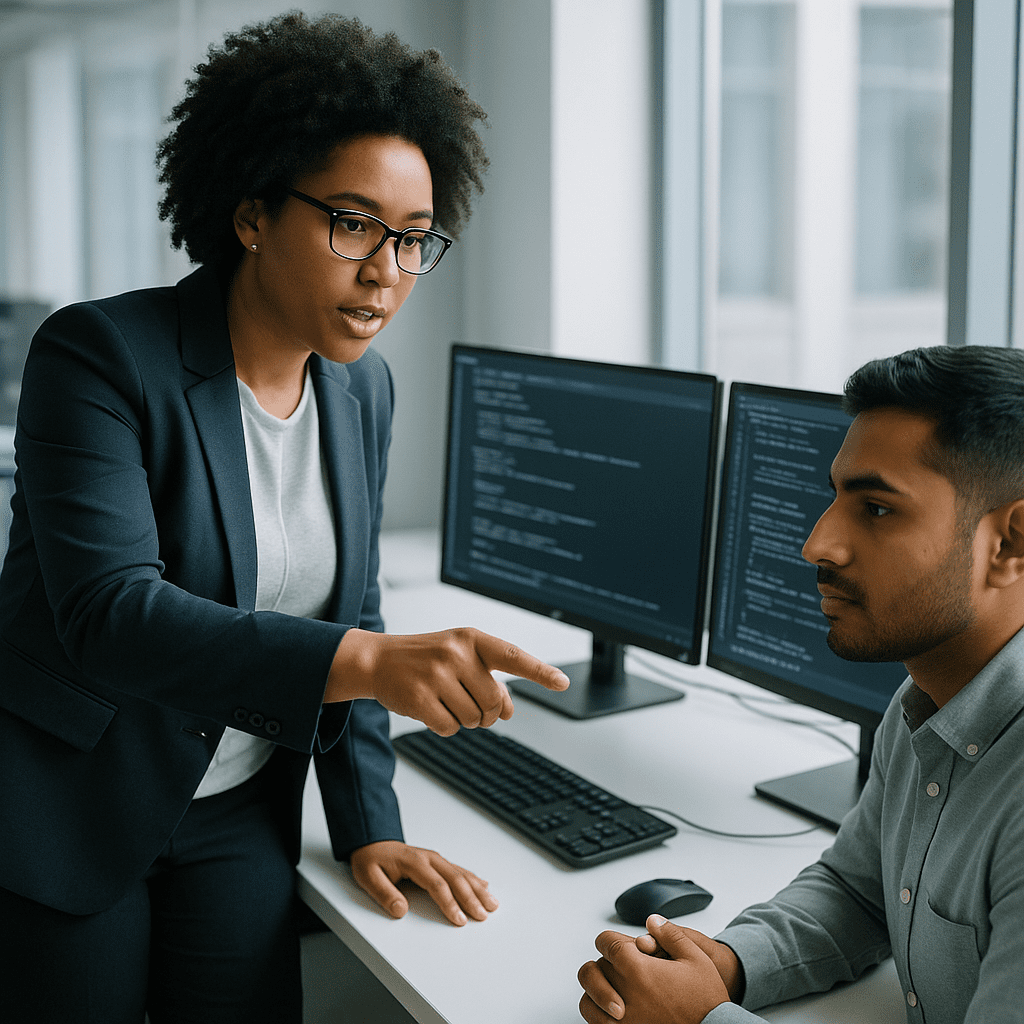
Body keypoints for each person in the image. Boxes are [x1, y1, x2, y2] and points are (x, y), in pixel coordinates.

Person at [0, 12, 568, 1023]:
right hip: (76, 804)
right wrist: (362, 661)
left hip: (238, 814)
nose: (386, 269)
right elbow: (110, 613)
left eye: (411, 237)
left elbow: (357, 605)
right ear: (252, 213)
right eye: (353, 223)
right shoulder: (97, 357)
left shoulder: (362, 392)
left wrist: (365, 828)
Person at [578, 345, 1024, 1024]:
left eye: (876, 509)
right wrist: (726, 967)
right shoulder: (929, 703)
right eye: (835, 497)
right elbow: (858, 891)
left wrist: (700, 1021)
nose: (818, 544)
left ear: (1011, 544)